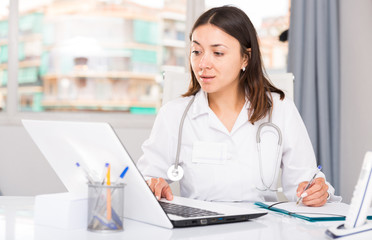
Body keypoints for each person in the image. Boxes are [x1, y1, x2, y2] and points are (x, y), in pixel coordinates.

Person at [137, 6, 340, 207]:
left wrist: (317, 192)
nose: (203, 63)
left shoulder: (280, 109)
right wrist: (152, 183)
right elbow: (147, 177)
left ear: (246, 57)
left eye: (217, 53)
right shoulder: (174, 114)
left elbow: (303, 183)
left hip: (263, 227)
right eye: (196, 51)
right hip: (200, 229)